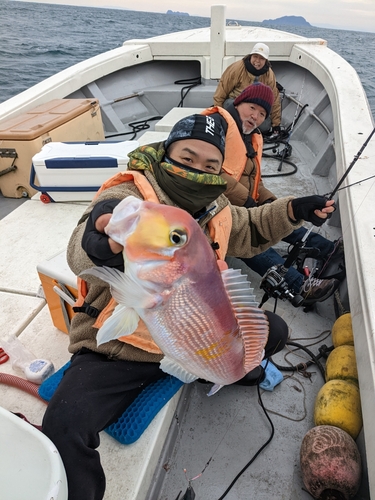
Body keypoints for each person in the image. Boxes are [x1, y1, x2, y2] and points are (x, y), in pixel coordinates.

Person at [42, 114, 335, 500]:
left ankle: (208, 372)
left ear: (219, 170)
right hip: (119, 350)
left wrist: (295, 209)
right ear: (167, 154)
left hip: (192, 339)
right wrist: (102, 245)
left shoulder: (217, 206)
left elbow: (252, 227)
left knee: (275, 332)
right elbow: (85, 244)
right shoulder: (132, 195)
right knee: (63, 424)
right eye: (187, 156)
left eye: (210, 164)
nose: (197, 169)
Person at [203, 82, 340, 305]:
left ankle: (328, 250)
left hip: (241, 204)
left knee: (281, 217)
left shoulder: (250, 135)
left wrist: (272, 203)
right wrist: (248, 203)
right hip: (213, 209)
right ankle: (300, 285)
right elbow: (208, 174)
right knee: (253, 237)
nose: (255, 116)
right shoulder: (216, 125)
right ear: (238, 103)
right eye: (252, 108)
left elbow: (254, 181)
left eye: (262, 113)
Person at [213, 42, 281, 134]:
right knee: (230, 109)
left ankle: (244, 127)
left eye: (261, 58)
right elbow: (221, 91)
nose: (257, 61)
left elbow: (274, 99)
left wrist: (276, 124)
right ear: (250, 56)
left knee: (266, 126)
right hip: (236, 102)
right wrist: (218, 112)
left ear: (266, 61)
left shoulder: (269, 75)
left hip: (256, 106)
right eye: (255, 56)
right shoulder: (237, 68)